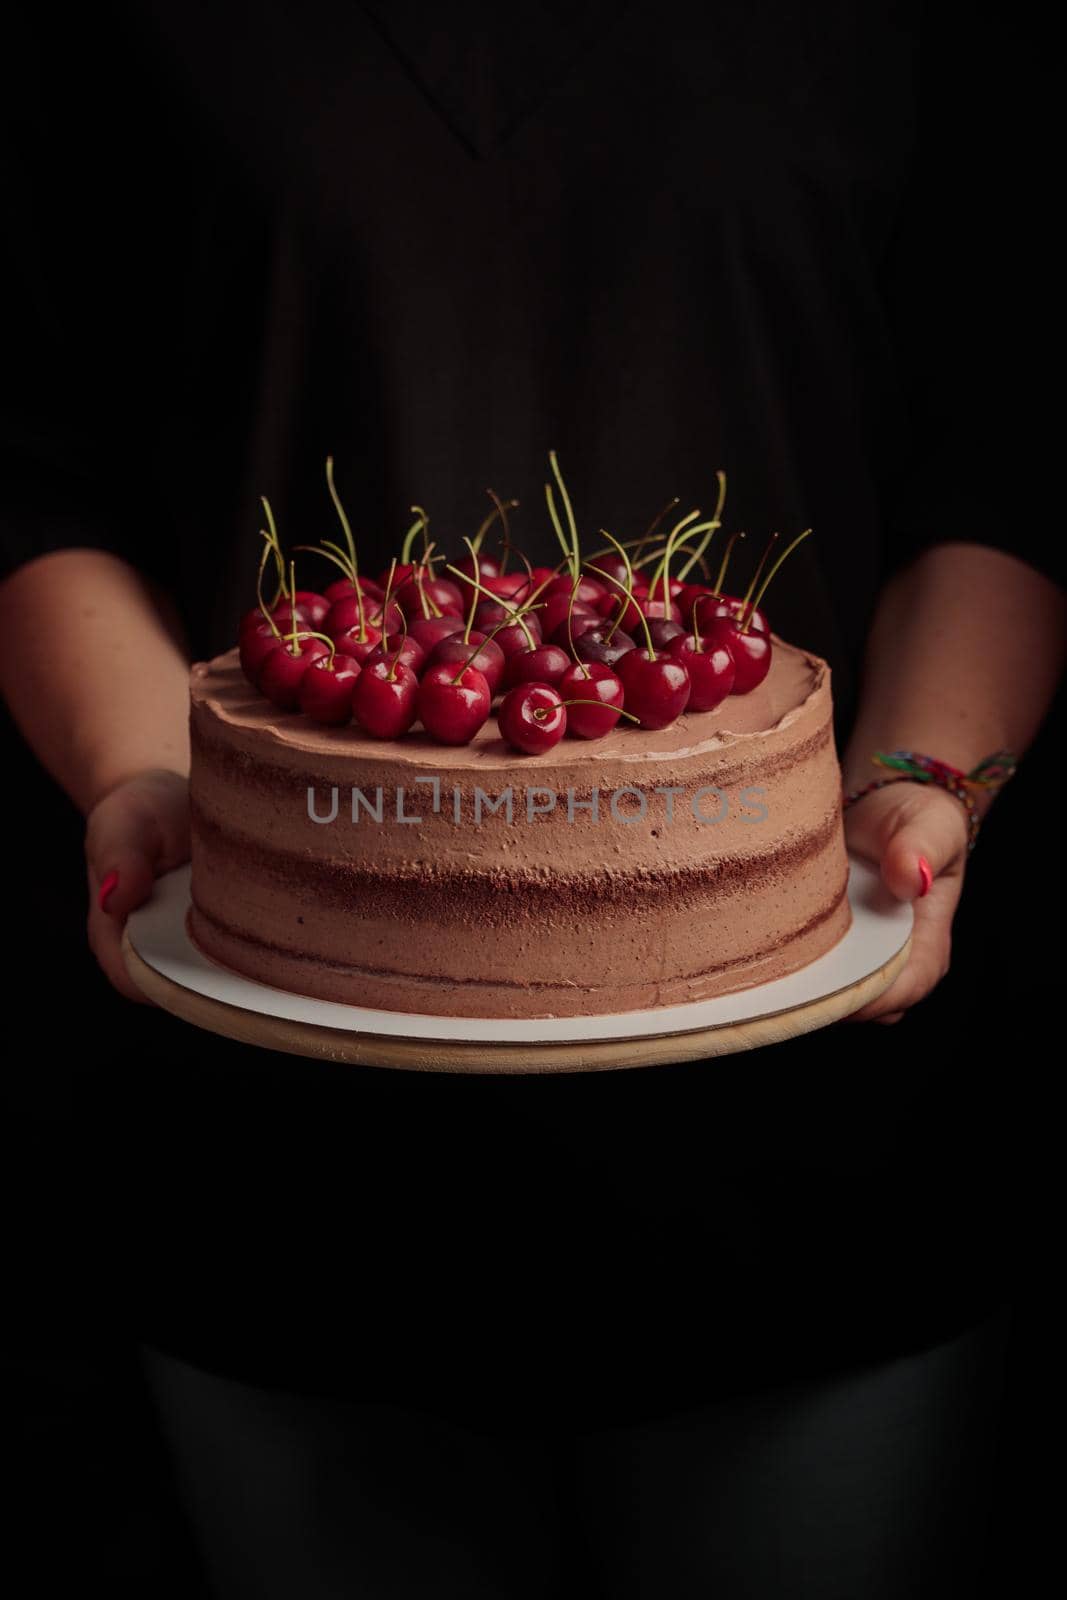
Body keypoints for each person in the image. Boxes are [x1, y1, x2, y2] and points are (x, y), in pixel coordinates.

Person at [2, 3, 1064, 1595]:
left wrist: (920, 787)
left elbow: (1011, 456)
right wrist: (160, 789)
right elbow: (38, 471)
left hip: (819, 1182)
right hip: (279, 1191)